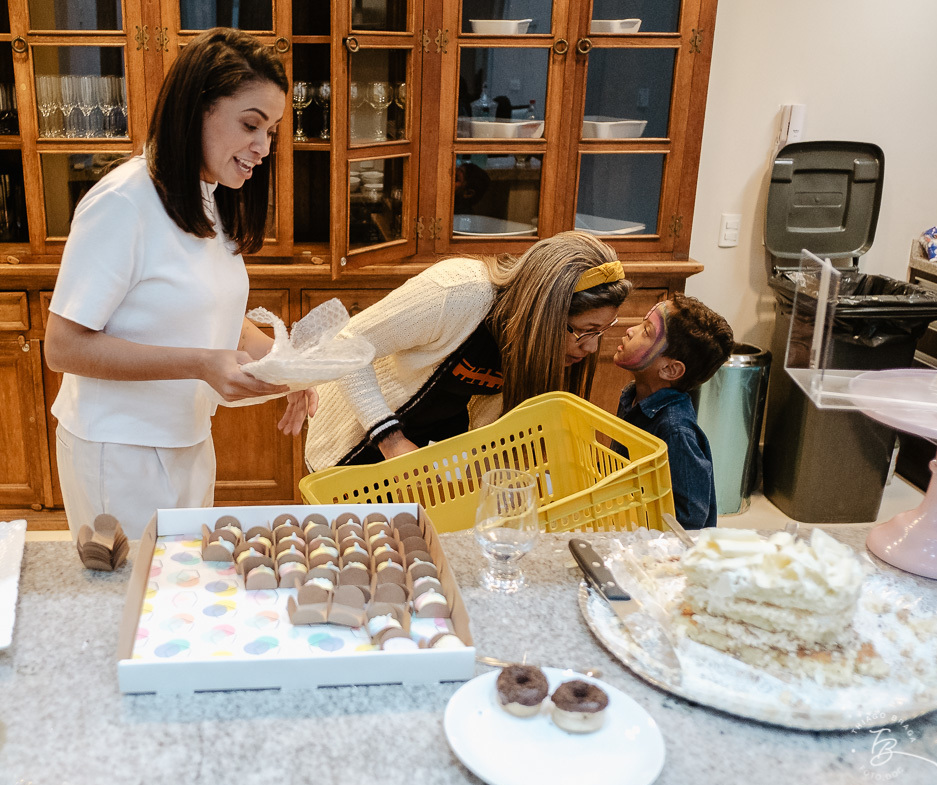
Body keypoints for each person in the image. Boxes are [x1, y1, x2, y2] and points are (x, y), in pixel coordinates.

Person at [44, 28, 316, 542]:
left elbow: (211, 318)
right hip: (119, 452)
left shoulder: (209, 195)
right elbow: (62, 347)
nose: (263, 147)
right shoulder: (123, 203)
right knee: (129, 603)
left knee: (181, 591)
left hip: (188, 439)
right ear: (199, 110)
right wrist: (199, 363)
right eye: (251, 125)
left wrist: (295, 368)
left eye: (273, 130)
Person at [305, 231, 632, 470]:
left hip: (418, 460)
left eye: (600, 332)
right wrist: (391, 442)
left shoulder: (527, 340)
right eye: (584, 331)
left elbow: (490, 429)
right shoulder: (458, 292)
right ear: (543, 313)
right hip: (353, 443)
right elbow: (348, 343)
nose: (590, 347)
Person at [612, 294, 734, 530]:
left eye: (646, 331)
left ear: (670, 369)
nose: (630, 330)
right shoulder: (632, 396)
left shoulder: (675, 430)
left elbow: (692, 516)